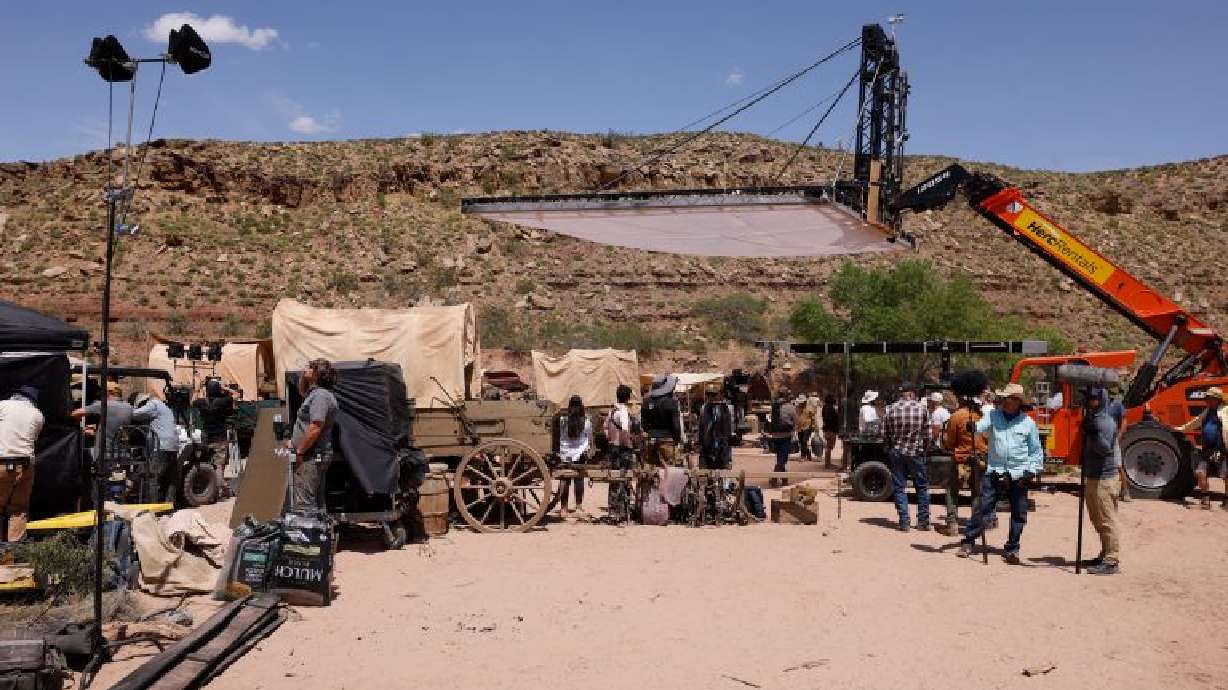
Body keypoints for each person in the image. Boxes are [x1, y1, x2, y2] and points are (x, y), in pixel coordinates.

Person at [958, 383, 1044, 563]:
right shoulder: (993, 415)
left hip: (1019, 473)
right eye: (1003, 398)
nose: (1004, 401)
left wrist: (1031, 471)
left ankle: (1012, 548)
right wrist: (973, 427)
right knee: (983, 507)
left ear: (1017, 401)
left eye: (1008, 399)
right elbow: (981, 426)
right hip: (995, 470)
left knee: (1019, 512)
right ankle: (968, 541)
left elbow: (1036, 451)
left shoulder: (1028, 423)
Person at [1082, 386, 1122, 575]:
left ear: (1102, 399)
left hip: (1104, 479)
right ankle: (1105, 553)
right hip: (1094, 477)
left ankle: (1111, 560)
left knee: (1107, 520)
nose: (1089, 401)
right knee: (1097, 519)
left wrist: (1094, 433)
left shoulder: (1104, 422)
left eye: (1093, 398)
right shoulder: (1095, 419)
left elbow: (1104, 449)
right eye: (1088, 397)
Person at [289, 359, 339, 509]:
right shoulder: (316, 394)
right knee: (316, 500)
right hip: (312, 454)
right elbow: (302, 391)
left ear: (317, 374)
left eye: (311, 367)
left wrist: (300, 451)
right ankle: (318, 524)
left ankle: (308, 525)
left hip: (311, 455)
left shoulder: (320, 396)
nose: (306, 368)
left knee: (305, 502)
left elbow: (316, 427)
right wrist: (304, 376)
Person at [941, 392, 991, 536]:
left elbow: (950, 442)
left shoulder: (956, 416)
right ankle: (976, 525)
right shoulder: (982, 416)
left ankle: (952, 524)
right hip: (980, 459)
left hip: (961, 459)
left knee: (952, 491)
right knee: (977, 493)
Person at [882, 382, 931, 531]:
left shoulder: (890, 409)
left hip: (897, 452)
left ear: (901, 393)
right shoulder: (922, 409)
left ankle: (904, 522)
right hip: (916, 452)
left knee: (899, 487)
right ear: (912, 393)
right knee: (921, 487)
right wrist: (924, 450)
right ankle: (923, 521)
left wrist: (890, 447)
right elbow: (927, 435)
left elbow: (885, 434)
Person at [0, 386, 43, 543]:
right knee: (18, 510)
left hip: (2, 462)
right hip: (25, 466)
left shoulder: (3, 406)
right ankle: (12, 551)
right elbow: (34, 438)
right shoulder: (38, 415)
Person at [1173, 386, 1228, 510]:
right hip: (1207, 449)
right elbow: (1195, 422)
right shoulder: (1207, 411)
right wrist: (1180, 429)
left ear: (1217, 399)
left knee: (1226, 475)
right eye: (1207, 398)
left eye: (1210, 398)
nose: (1207, 400)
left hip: (1222, 449)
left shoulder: (1225, 410)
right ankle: (1205, 502)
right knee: (1200, 472)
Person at [131, 393, 181, 504]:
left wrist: (125, 409)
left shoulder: (152, 405)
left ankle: (153, 506)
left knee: (153, 477)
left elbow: (134, 414)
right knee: (170, 478)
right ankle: (169, 504)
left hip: (161, 445)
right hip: (173, 445)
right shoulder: (164, 406)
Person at [72, 381, 134, 457]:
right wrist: (97, 431)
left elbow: (75, 413)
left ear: (108, 392)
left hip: (103, 454)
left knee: (81, 453)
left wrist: (79, 428)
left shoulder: (102, 404)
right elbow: (115, 427)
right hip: (123, 454)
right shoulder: (129, 407)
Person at [192, 379, 236, 484]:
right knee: (219, 465)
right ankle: (219, 488)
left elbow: (192, 401)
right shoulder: (223, 401)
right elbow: (236, 394)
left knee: (209, 464)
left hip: (206, 437)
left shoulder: (202, 402)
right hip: (220, 437)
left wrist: (198, 389)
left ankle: (209, 486)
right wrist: (224, 387)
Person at [556, 395, 592, 517]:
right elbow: (589, 438)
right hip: (580, 454)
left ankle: (563, 509)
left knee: (565, 480)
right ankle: (578, 506)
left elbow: (558, 436)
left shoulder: (563, 421)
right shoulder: (586, 422)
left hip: (565, 454)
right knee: (579, 479)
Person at [641, 374, 683, 467]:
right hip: (667, 442)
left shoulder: (646, 402)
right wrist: (677, 441)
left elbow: (644, 424)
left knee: (652, 472)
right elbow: (676, 426)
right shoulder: (671, 403)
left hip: (651, 442)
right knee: (670, 471)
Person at [764, 389, 797, 486]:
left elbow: (771, 419)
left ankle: (784, 478)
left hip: (775, 436)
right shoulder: (790, 407)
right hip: (785, 436)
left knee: (780, 458)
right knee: (782, 460)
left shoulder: (774, 406)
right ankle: (774, 478)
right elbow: (796, 421)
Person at [697, 384, 733, 470]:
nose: (711, 397)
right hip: (707, 443)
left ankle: (724, 462)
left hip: (721, 443)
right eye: (709, 394)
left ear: (718, 395)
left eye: (713, 395)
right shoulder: (704, 408)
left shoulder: (725, 408)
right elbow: (701, 426)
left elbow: (728, 429)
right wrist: (700, 441)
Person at [821, 394, 841, 469]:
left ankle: (828, 463)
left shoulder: (825, 407)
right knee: (829, 447)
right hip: (831, 430)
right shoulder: (831, 409)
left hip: (827, 429)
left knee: (828, 446)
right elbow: (833, 420)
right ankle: (828, 464)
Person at [796, 395, 816, 461]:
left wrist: (813, 426)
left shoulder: (809, 408)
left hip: (807, 426)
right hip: (799, 427)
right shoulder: (797, 408)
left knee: (804, 440)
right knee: (801, 441)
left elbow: (813, 418)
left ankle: (803, 456)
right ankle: (808, 453)